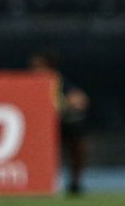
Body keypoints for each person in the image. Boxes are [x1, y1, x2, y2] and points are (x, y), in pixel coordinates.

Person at [30, 49, 90, 195]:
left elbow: (80, 99)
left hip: (59, 122)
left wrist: (71, 102)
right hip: (36, 124)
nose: (35, 70)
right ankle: (37, 182)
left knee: (76, 139)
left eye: (39, 66)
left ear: (49, 67)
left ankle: (75, 182)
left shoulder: (58, 81)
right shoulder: (29, 83)